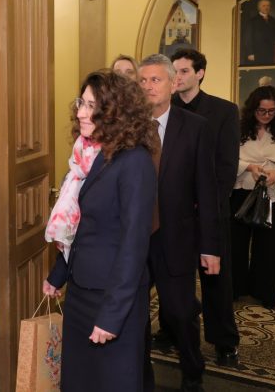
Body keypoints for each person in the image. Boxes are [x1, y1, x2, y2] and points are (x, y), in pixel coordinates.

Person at [43, 70, 158, 391]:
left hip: (114, 299)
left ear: (115, 111)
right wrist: (59, 274)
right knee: (78, 381)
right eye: (81, 103)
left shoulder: (135, 162)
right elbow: (80, 224)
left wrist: (112, 315)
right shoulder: (87, 155)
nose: (80, 112)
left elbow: (134, 245)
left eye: (91, 105)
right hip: (80, 293)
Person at [139, 54, 219, 392]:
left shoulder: (195, 127)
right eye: (142, 81)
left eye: (155, 79)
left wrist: (210, 247)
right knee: (134, 315)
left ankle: (192, 373)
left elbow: (207, 189)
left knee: (180, 313)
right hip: (135, 239)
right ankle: (140, 376)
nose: (148, 86)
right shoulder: (128, 127)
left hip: (176, 237)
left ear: (173, 83)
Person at [168, 49, 240, 366]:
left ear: (200, 73)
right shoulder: (165, 108)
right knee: (173, 277)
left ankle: (224, 341)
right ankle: (171, 331)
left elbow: (227, 166)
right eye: (174, 71)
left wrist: (205, 204)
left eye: (184, 71)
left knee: (216, 281)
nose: (178, 77)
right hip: (174, 213)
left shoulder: (224, 111)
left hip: (211, 212)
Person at [231, 85, 275, 310]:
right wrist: (249, 167)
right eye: (261, 111)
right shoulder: (237, 128)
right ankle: (235, 288)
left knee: (268, 245)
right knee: (236, 243)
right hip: (241, 191)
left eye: (271, 111)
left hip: (272, 193)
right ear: (252, 109)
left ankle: (264, 291)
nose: (266, 115)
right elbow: (226, 156)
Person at [242, 0, 275, 65]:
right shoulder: (253, 21)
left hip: (270, 51)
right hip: (256, 53)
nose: (266, 7)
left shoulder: (272, 19)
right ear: (259, 7)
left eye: (268, 5)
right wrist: (250, 53)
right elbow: (248, 38)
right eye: (264, 6)